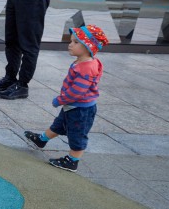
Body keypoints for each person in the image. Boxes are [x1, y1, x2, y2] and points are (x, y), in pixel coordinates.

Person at [23, 25, 109, 173]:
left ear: (88, 47)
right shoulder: (82, 62)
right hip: (73, 106)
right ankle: (42, 140)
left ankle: (72, 161)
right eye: (71, 41)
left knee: (77, 134)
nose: (70, 44)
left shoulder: (86, 67)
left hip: (81, 109)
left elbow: (77, 92)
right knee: (59, 125)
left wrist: (60, 100)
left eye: (76, 42)